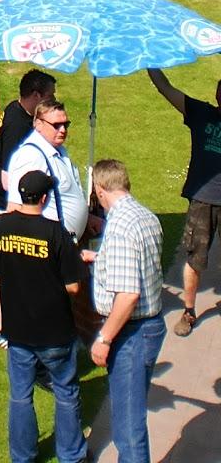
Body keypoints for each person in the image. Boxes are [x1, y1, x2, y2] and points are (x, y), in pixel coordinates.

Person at [0, 170, 89, 463]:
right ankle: (72, 457)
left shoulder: (0, 226)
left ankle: (22, 457)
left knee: (20, 397)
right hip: (56, 332)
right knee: (66, 394)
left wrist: (14, 282)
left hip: (18, 333)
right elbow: (74, 286)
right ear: (44, 197)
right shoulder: (55, 233)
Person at [82, 159, 165, 463]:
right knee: (130, 417)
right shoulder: (144, 215)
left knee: (128, 429)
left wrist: (103, 338)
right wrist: (99, 257)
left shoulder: (117, 227)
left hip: (131, 334)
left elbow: (128, 296)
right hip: (151, 326)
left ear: (100, 190)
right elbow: (138, 260)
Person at [0, 69, 59, 347]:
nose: (54, 99)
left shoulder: (18, 112)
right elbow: (8, 178)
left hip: (2, 201)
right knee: (7, 268)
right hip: (3, 204)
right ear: (36, 95)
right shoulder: (18, 125)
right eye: (50, 95)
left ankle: (5, 325)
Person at [146, 68, 221, 337]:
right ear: (217, 95)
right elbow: (166, 88)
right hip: (202, 199)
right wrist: (150, 62)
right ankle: (188, 311)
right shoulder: (201, 113)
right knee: (194, 257)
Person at [5, 99, 89, 242]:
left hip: (65, 245)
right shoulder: (31, 156)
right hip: (49, 248)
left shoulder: (59, 150)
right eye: (56, 125)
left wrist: (88, 218)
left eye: (65, 124)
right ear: (38, 124)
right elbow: (15, 208)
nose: (63, 130)